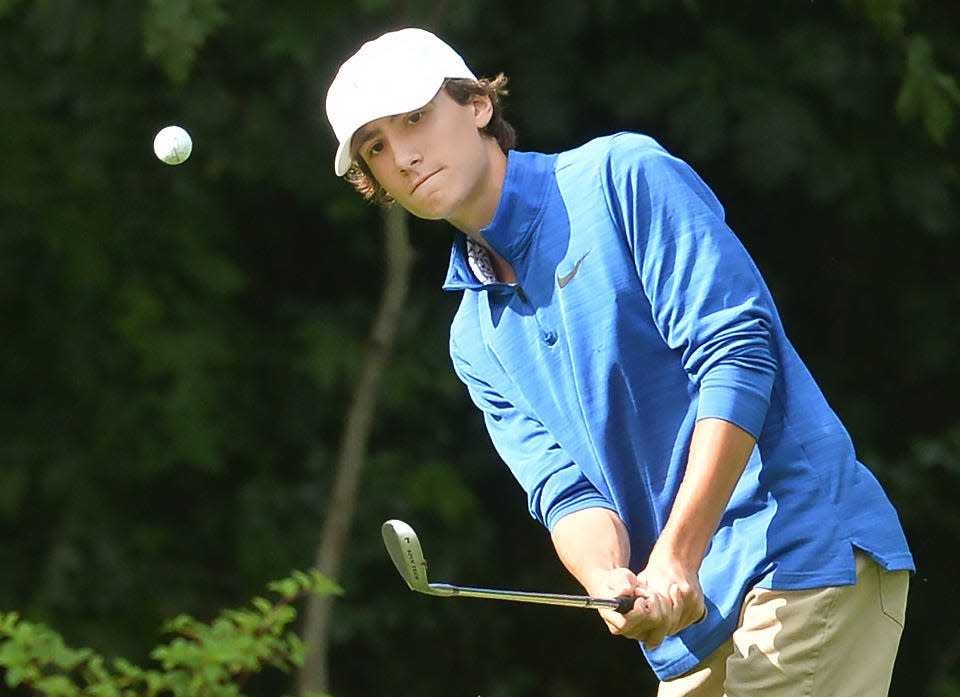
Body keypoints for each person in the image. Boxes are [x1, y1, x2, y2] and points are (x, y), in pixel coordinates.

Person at [324, 27, 914, 696]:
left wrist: (676, 555)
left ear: (478, 105)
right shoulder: (475, 338)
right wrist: (609, 577)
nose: (403, 154)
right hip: (688, 625)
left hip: (799, 553)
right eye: (376, 146)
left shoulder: (619, 177)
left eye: (415, 117)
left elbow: (738, 357)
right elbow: (566, 491)